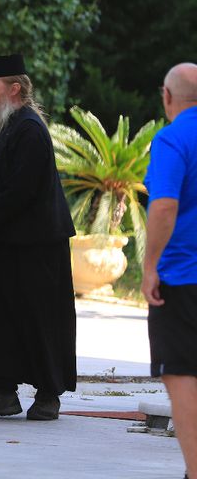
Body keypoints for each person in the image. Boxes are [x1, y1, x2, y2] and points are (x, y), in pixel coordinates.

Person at [0, 54, 76, 420]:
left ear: (14, 89)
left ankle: (47, 395)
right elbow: (5, 183)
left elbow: (23, 190)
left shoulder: (29, 129)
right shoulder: (4, 125)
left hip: (36, 245)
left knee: (40, 320)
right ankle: (1, 392)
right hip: (5, 243)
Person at [143, 62, 197, 479]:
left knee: (182, 377)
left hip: (181, 278)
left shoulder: (172, 138)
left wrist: (148, 265)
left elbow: (163, 206)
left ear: (167, 96)